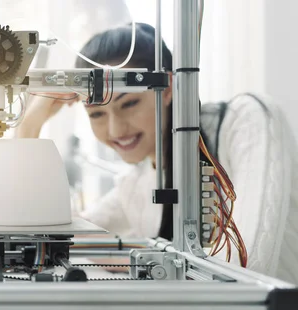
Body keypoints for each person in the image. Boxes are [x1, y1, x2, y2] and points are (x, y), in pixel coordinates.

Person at [16, 23, 298, 284]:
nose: (115, 130)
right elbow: (58, 234)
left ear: (167, 89)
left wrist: (133, 259)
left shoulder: (245, 120)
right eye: (97, 113)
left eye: (129, 104)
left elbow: (247, 272)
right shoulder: (135, 183)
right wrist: (29, 126)